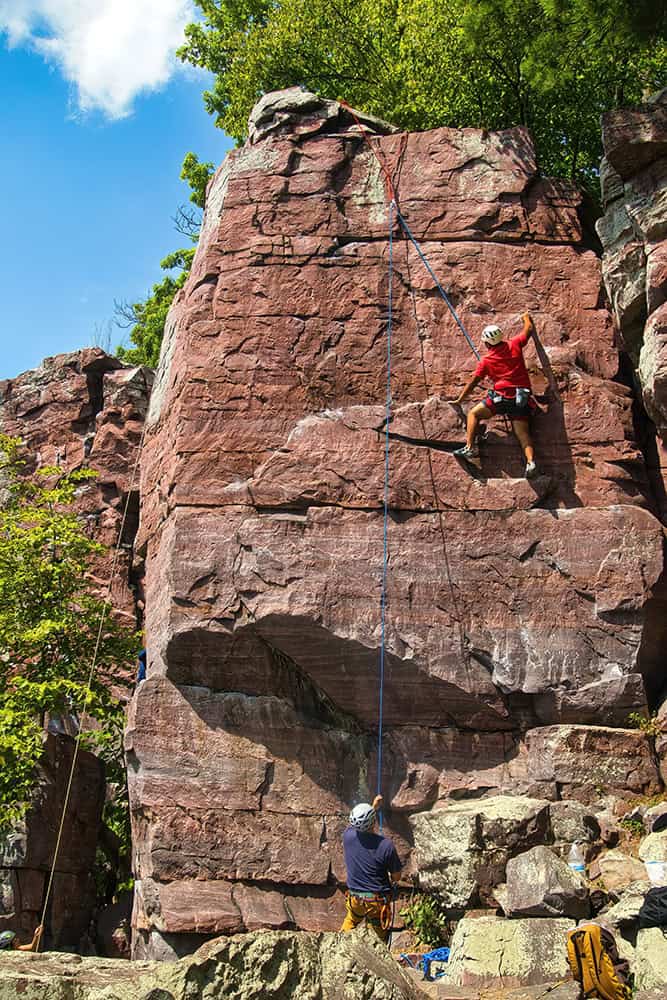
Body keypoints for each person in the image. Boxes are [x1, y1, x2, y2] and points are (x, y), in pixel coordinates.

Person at [452, 313, 539, 478]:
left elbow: (473, 382)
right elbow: (528, 329)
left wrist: (460, 399)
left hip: (501, 399)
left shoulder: (486, 361)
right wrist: (526, 317)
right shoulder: (514, 344)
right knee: (523, 434)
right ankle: (531, 462)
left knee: (474, 413)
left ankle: (470, 447)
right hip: (521, 399)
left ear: (486, 342)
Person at [340, 794, 401, 942]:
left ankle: (339, 945)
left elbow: (356, 825)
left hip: (355, 899)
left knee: (351, 922)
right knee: (377, 939)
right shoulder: (385, 846)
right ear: (373, 822)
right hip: (376, 902)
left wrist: (373, 807)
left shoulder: (347, 836)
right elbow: (396, 877)